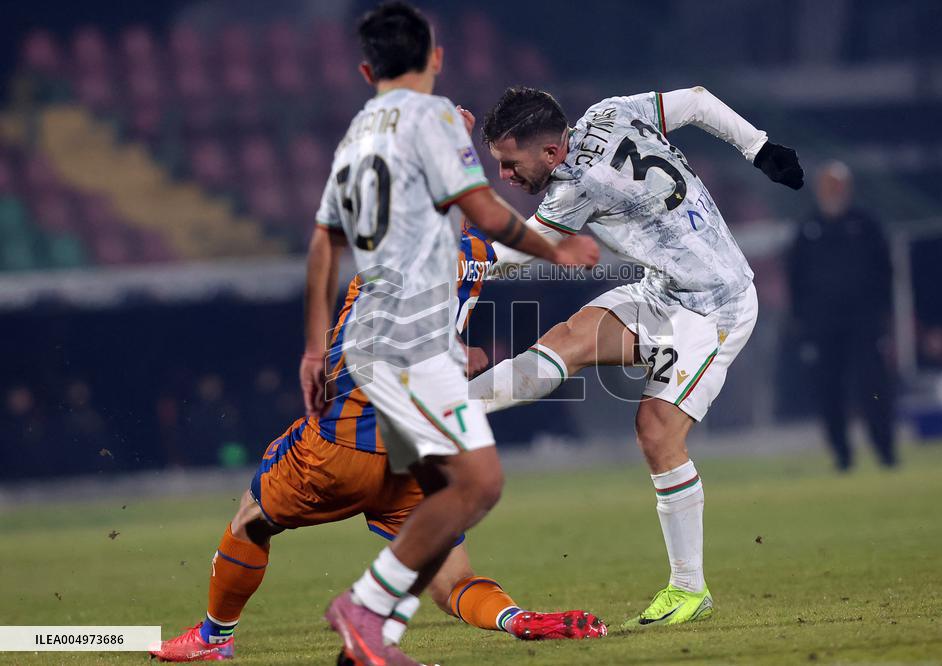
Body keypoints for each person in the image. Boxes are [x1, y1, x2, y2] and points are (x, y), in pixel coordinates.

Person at [150, 223, 605, 662]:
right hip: (417, 453)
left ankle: (214, 637)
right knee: (451, 579)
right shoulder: (477, 253)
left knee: (252, 518)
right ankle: (516, 619)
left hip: (345, 442)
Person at [316, 5, 599, 665]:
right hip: (376, 408)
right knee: (475, 488)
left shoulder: (468, 242)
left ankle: (499, 622)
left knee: (448, 561)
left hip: (396, 426)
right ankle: (348, 620)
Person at [468, 85, 803, 629]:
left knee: (656, 432)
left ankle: (689, 589)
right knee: (566, 342)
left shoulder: (575, 186)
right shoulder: (609, 112)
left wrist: (455, 266)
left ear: (551, 153)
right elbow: (694, 101)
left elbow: (514, 255)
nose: (504, 176)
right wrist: (759, 146)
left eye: (509, 164)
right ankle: (446, 407)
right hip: (662, 289)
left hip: (715, 305)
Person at [787, 160, 896, 470]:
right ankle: (842, 455)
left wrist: (882, 314)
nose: (832, 192)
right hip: (823, 328)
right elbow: (795, 279)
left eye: (837, 186)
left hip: (864, 324)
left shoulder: (866, 225)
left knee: (873, 387)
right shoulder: (808, 230)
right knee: (828, 391)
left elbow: (885, 272)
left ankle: (886, 452)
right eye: (827, 186)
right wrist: (802, 323)